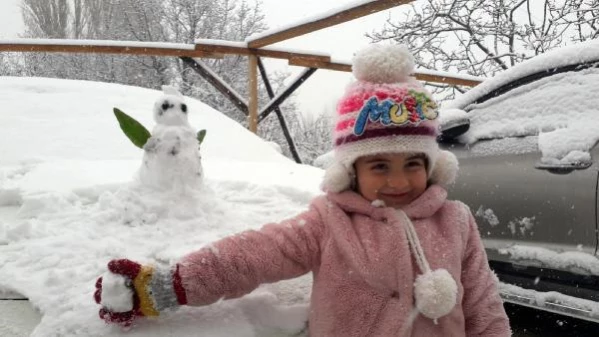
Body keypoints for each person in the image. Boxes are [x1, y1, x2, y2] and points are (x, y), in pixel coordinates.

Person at [94, 44, 511, 336]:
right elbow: (251, 256)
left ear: (432, 165)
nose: (399, 181)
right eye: (380, 165)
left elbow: (483, 306)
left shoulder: (454, 221)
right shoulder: (329, 222)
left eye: (413, 164)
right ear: (351, 169)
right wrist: (165, 285)